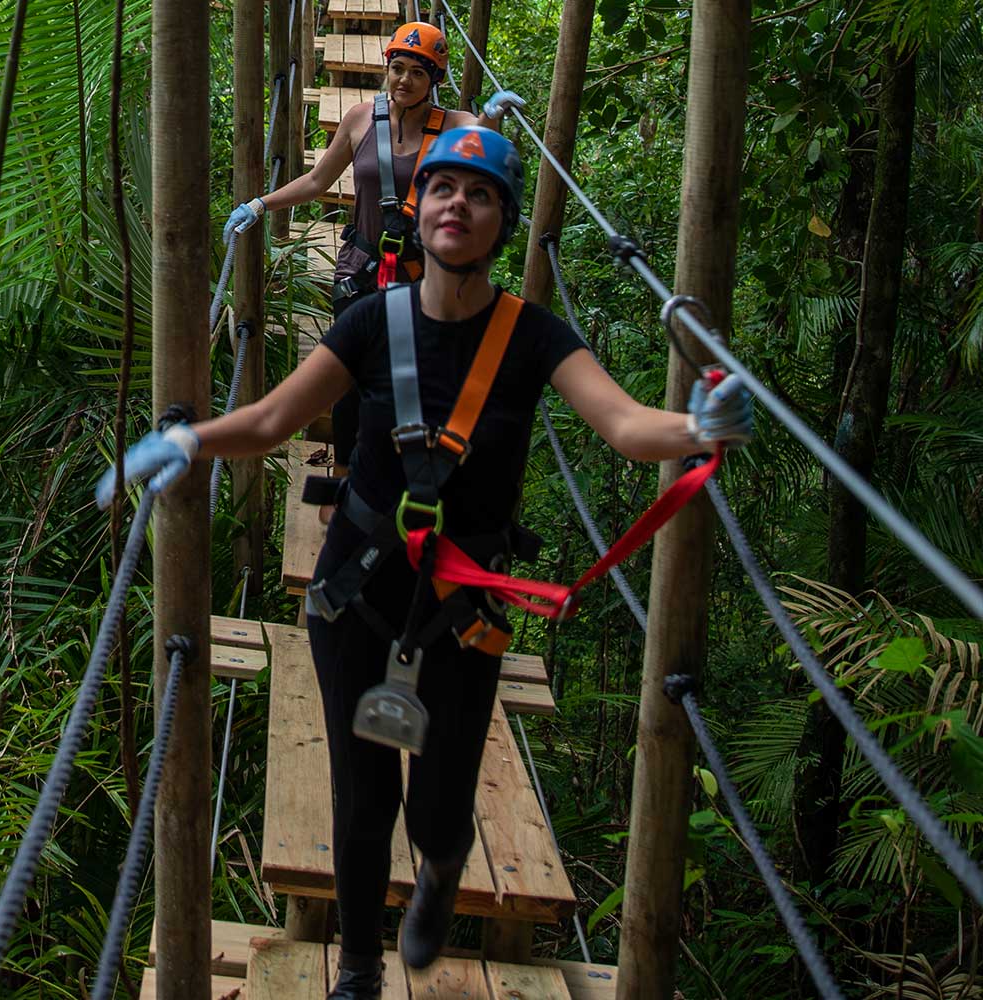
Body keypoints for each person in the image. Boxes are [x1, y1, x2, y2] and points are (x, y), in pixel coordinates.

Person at [98, 127, 754, 998]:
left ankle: (440, 876)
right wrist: (188, 441)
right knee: (361, 801)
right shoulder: (371, 321)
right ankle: (361, 969)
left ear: (501, 222)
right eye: (444, 187)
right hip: (354, 595)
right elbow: (271, 421)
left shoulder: (533, 338)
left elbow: (626, 425)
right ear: (420, 205)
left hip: (461, 611)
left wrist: (696, 431)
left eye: (480, 195)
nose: (458, 205)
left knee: (441, 809)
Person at [222, 21, 527, 481]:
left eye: (417, 74)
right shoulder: (360, 118)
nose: (404, 80)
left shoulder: (454, 127)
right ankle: (345, 481)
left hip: (422, 278)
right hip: (360, 270)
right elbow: (317, 181)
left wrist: (493, 118)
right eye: (397, 68)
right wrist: (261, 203)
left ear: (434, 82)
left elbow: (482, 145)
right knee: (350, 382)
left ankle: (397, 484)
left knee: (412, 384)